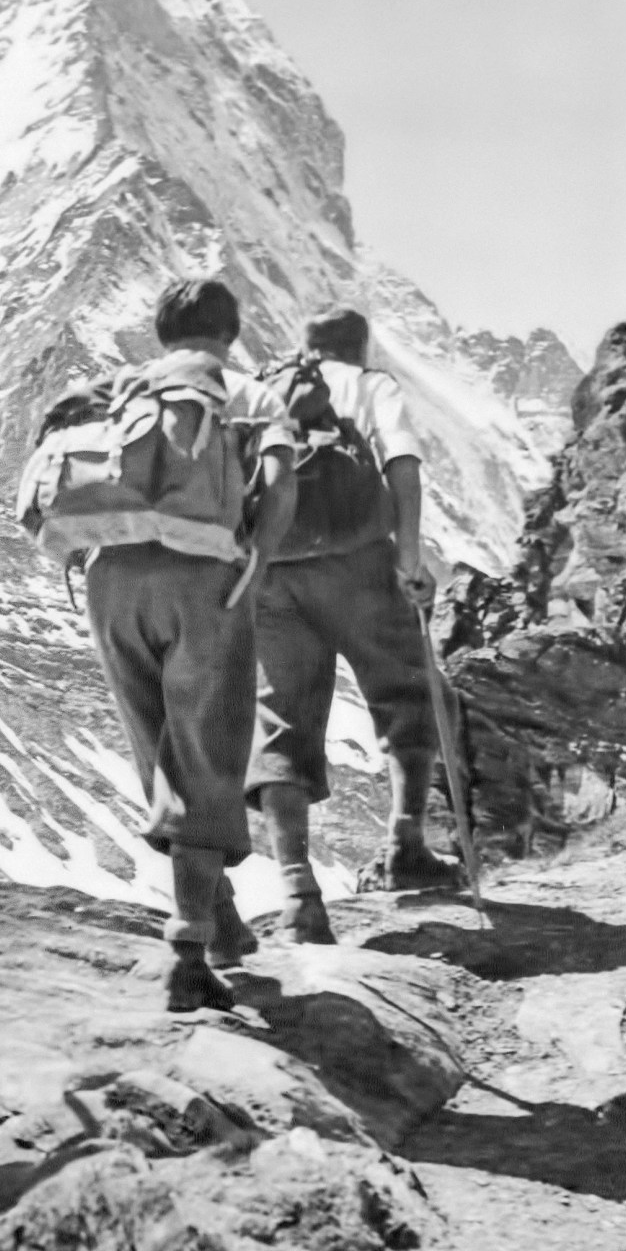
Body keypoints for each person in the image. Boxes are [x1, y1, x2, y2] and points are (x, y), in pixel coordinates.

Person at [78, 277, 298, 1011]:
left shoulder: (120, 392)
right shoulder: (245, 394)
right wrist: (258, 562)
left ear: (162, 332)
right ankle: (188, 947)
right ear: (231, 332)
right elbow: (278, 482)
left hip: (110, 578)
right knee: (205, 753)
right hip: (203, 574)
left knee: (157, 748)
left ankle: (223, 919)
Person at [246, 305, 459, 943]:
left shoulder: (265, 392)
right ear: (361, 347)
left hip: (274, 571)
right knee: (406, 693)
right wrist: (408, 557)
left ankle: (297, 893)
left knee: (280, 722)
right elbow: (403, 463)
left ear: (305, 350)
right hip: (358, 567)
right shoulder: (371, 386)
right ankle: (405, 844)